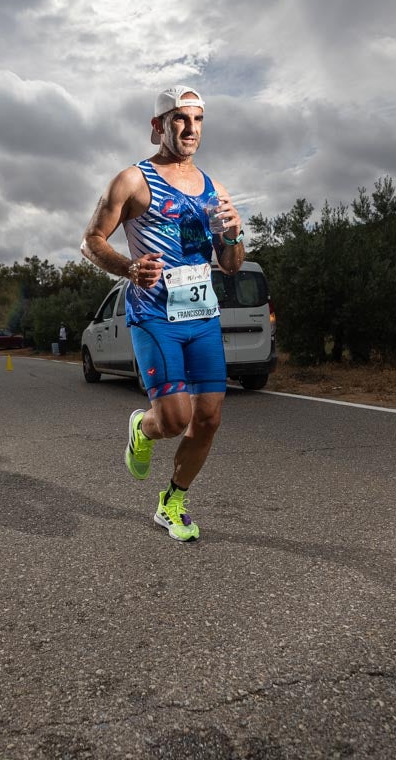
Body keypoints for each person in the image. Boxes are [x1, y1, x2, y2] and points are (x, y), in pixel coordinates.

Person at [80, 85, 244, 542]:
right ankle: (142, 427)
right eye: (180, 119)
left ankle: (172, 501)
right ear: (158, 127)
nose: (191, 129)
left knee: (208, 418)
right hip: (154, 317)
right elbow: (91, 240)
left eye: (198, 120)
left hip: (203, 319)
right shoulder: (132, 181)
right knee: (173, 420)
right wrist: (129, 268)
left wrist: (233, 233)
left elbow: (230, 265)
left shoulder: (214, 189)